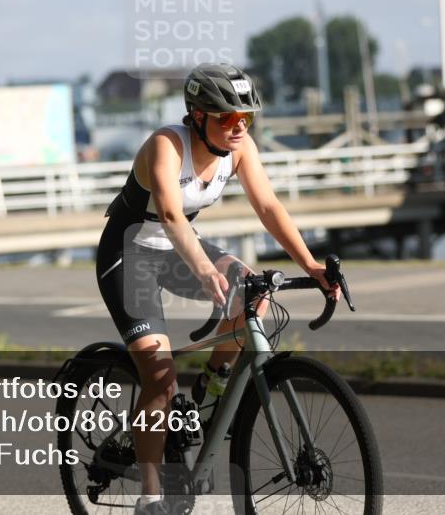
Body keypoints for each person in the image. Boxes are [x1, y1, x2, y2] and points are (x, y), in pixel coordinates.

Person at [96, 62, 342, 515]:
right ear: (197, 115)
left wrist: (309, 263)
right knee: (159, 375)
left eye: (245, 119)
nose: (237, 127)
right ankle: (150, 496)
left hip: (176, 250)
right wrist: (206, 269)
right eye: (227, 118)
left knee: (254, 292)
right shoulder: (166, 146)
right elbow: (170, 216)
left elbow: (267, 205)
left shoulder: (239, 148)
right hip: (129, 255)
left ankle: (209, 394)